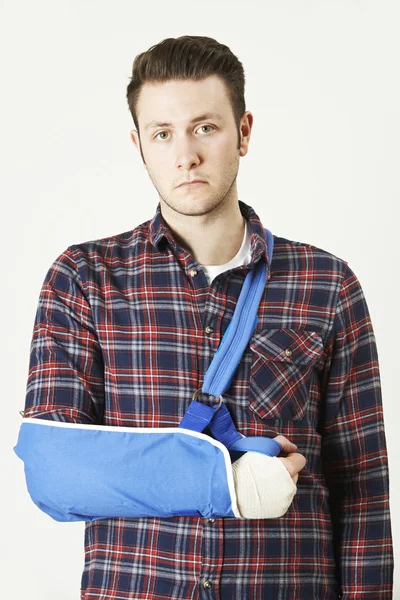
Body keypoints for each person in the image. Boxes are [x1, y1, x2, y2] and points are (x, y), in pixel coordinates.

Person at [20, 35, 393, 598]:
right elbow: (55, 475)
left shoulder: (328, 284)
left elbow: (361, 486)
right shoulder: (84, 278)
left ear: (243, 132)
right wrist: (228, 483)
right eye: (163, 133)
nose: (185, 155)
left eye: (205, 127)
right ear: (139, 145)